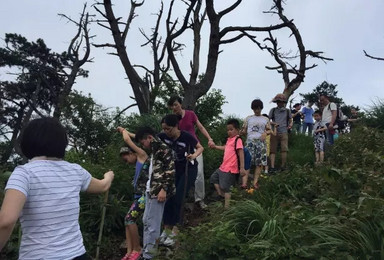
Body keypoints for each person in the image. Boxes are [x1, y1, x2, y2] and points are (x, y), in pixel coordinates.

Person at [0, 117, 114, 259]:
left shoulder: (24, 173)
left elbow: (6, 221)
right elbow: (103, 186)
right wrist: (109, 175)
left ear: (27, 142)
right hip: (77, 255)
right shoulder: (75, 171)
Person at [157, 114, 204, 246]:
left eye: (168, 129)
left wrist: (193, 155)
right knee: (168, 199)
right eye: (164, 129)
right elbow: (147, 138)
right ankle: (166, 230)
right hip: (173, 172)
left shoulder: (186, 136)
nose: (166, 132)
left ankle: (176, 231)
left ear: (176, 126)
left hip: (189, 170)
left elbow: (200, 147)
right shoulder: (163, 137)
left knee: (179, 198)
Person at [134, 126, 176, 260]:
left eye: (143, 142)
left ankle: (149, 256)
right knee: (146, 221)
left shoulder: (164, 149)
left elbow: (170, 171)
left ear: (150, 138)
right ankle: (147, 251)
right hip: (150, 190)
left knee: (153, 225)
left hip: (158, 191)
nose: (143, 145)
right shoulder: (154, 151)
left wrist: (164, 189)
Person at [168, 96, 215, 209]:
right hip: (180, 150)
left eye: (175, 104)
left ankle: (199, 199)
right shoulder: (173, 119)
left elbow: (200, 127)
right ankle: (180, 200)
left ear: (180, 103)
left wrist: (210, 138)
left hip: (195, 147)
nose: (174, 108)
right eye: (171, 106)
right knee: (181, 174)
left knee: (199, 173)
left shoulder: (190, 114)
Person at [117, 127, 149, 260]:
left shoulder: (142, 156)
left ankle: (137, 249)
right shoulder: (137, 164)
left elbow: (127, 139)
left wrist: (123, 130)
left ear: (133, 153)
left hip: (145, 196)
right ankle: (129, 251)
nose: (126, 162)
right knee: (127, 220)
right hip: (138, 197)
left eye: (126, 159)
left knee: (130, 219)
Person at [210, 119, 246, 208]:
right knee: (213, 178)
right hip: (223, 167)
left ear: (237, 130)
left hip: (230, 168)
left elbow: (241, 153)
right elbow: (225, 148)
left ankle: (227, 208)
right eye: (228, 130)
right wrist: (215, 147)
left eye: (231, 129)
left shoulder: (238, 140)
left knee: (226, 188)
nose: (229, 131)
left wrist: (242, 167)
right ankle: (221, 195)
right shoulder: (229, 139)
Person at [241, 99, 270, 189]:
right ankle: (244, 183)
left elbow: (269, 130)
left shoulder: (265, 119)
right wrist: (241, 132)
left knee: (259, 163)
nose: (256, 110)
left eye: (258, 108)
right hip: (250, 141)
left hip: (260, 142)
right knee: (247, 162)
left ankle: (255, 182)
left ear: (261, 108)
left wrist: (265, 133)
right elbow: (244, 130)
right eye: (254, 109)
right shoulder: (248, 118)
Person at [268, 94, 293, 172]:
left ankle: (283, 166)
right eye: (278, 101)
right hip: (274, 132)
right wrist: (274, 124)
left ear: (284, 102)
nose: (280, 103)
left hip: (284, 131)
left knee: (284, 149)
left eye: (282, 101)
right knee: (272, 150)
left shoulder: (287, 110)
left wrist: (290, 125)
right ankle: (272, 167)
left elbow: (290, 119)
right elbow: (268, 120)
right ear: (276, 102)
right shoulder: (273, 110)